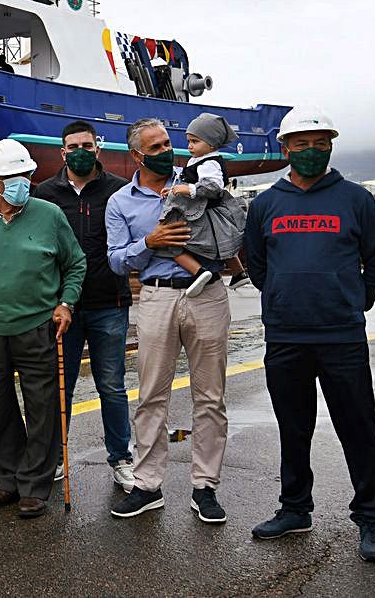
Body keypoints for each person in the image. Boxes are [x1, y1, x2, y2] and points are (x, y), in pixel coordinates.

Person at [245, 107, 375, 563]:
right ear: (285, 148)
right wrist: (287, 299)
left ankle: (370, 518)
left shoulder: (355, 199)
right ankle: (295, 509)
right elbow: (257, 266)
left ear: (330, 145)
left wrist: (349, 302)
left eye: (320, 142)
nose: (312, 150)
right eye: (302, 143)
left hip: (341, 336)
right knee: (294, 428)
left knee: (358, 427)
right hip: (286, 336)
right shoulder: (266, 203)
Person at [106, 117, 231, 525]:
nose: (166, 151)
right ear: (136, 155)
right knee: (151, 395)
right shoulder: (120, 202)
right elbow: (116, 259)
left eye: (167, 143)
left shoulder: (197, 177)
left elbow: (228, 214)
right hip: (156, 294)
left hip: (208, 294)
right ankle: (146, 484)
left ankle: (205, 487)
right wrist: (150, 242)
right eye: (155, 147)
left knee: (210, 396)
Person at [0, 139, 84, 520]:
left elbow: (75, 264)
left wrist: (65, 303)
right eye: (12, 178)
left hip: (37, 326)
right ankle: (7, 480)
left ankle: (34, 485)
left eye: (25, 176)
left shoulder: (49, 215)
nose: (21, 183)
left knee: (42, 408)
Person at [32, 120, 135, 490]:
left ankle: (121, 458)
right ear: (62, 152)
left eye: (86, 145)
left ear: (98, 148)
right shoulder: (44, 193)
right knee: (61, 386)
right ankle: (56, 457)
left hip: (110, 302)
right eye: (72, 146)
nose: (80, 151)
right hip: (63, 309)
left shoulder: (120, 191)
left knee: (112, 386)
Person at [156, 113, 249, 295]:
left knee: (173, 241)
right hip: (209, 211)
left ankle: (198, 271)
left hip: (204, 213)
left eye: (195, 141)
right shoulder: (200, 159)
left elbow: (213, 186)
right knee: (224, 243)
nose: (189, 146)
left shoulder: (209, 163)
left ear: (211, 144)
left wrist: (188, 189)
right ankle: (238, 273)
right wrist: (174, 189)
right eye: (189, 141)